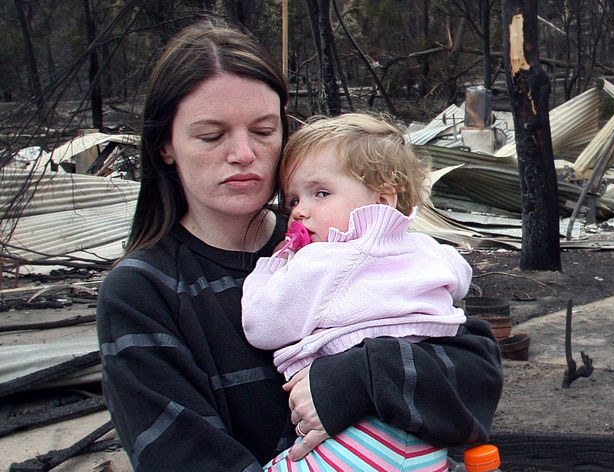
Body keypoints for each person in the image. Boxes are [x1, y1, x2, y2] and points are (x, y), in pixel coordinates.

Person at [95, 20, 504, 472]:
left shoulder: (341, 237)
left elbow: (477, 382)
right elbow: (183, 457)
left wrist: (360, 377)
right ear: (165, 145)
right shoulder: (142, 292)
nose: (243, 154)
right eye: (211, 135)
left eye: (264, 131)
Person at [241, 113, 473, 471]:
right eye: (292, 200)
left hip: (357, 436)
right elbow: (460, 276)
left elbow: (262, 325)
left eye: (320, 193)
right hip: (422, 429)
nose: (300, 211)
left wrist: (273, 266)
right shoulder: (428, 250)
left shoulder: (322, 262)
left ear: (381, 201)